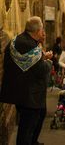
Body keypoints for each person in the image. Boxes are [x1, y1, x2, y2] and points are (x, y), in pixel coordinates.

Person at [0, 16, 53, 145]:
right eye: (42, 30)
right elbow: (40, 69)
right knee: (27, 128)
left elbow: (29, 64)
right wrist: (48, 61)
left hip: (25, 93)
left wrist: (41, 56)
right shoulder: (28, 46)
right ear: (37, 31)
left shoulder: (20, 40)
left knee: (36, 120)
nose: (43, 33)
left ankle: (33, 142)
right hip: (29, 96)